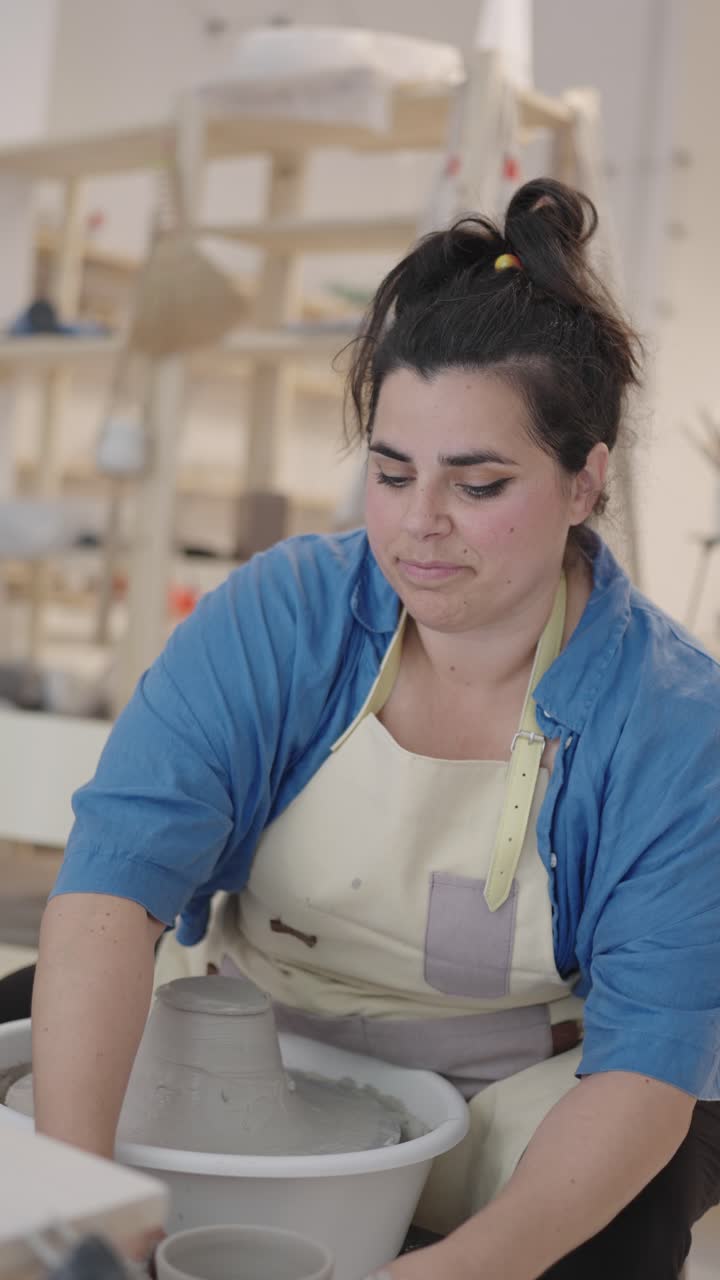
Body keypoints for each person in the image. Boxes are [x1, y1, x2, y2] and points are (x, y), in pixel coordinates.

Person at [31, 179, 720, 1280]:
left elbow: (651, 1059)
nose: (419, 525)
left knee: (646, 1199)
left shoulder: (674, 724)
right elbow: (113, 886)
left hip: (507, 1095)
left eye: (478, 481)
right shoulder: (283, 617)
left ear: (586, 479)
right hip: (244, 1049)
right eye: (391, 472)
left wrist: (460, 1269)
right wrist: (71, 1208)